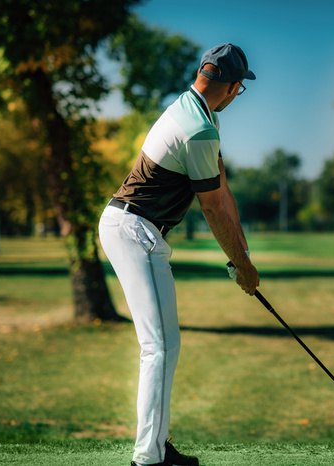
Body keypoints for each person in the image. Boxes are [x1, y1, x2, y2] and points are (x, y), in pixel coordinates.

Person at [98, 43, 259, 466]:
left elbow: (222, 192)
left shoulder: (202, 114)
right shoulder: (199, 128)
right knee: (157, 346)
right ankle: (147, 459)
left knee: (168, 344)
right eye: (239, 88)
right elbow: (209, 207)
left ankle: (156, 447)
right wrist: (242, 268)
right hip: (131, 229)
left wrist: (242, 253)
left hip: (143, 232)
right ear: (232, 86)